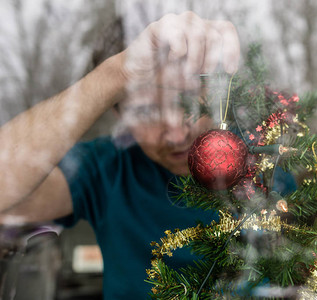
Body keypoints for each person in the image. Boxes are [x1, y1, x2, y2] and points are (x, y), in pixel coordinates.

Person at [0, 11, 240, 299]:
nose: (176, 133)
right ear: (119, 115)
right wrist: (118, 74)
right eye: (147, 111)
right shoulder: (107, 168)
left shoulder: (272, 157)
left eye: (187, 101)